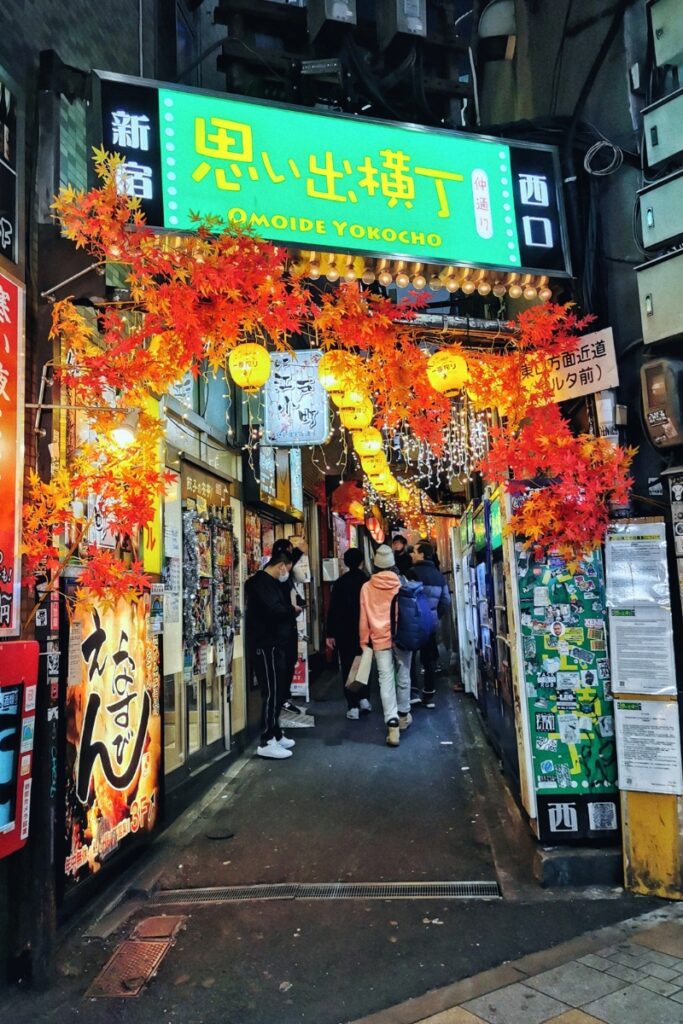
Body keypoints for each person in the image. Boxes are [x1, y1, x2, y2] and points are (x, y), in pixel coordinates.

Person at [244, 551, 298, 759]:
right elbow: (275, 610)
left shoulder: (272, 582)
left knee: (278, 691)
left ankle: (275, 732)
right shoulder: (261, 583)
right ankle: (267, 739)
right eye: (287, 568)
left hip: (275, 645)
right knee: (271, 692)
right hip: (265, 645)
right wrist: (291, 609)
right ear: (281, 566)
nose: (287, 573)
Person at [359, 545, 413, 747]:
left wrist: (364, 641)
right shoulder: (402, 583)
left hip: (379, 638)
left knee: (385, 679)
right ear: (392, 565)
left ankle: (391, 724)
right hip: (402, 636)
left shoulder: (366, 587)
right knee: (404, 674)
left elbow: (363, 618)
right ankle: (403, 715)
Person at [326, 548, 371, 720]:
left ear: (345, 562)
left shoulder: (339, 583)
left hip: (344, 632)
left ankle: (352, 705)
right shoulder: (367, 581)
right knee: (364, 665)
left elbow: (333, 610)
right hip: (364, 631)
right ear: (361, 562)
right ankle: (364, 698)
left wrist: (330, 634)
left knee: (347, 666)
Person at [408, 541, 451, 708]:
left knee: (410, 656)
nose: (412, 554)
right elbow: (446, 601)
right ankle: (429, 694)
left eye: (415, 551)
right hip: (430, 622)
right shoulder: (438, 575)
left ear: (422, 555)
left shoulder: (412, 573)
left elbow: (407, 598)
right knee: (428, 658)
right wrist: (434, 615)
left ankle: (413, 692)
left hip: (413, 621)